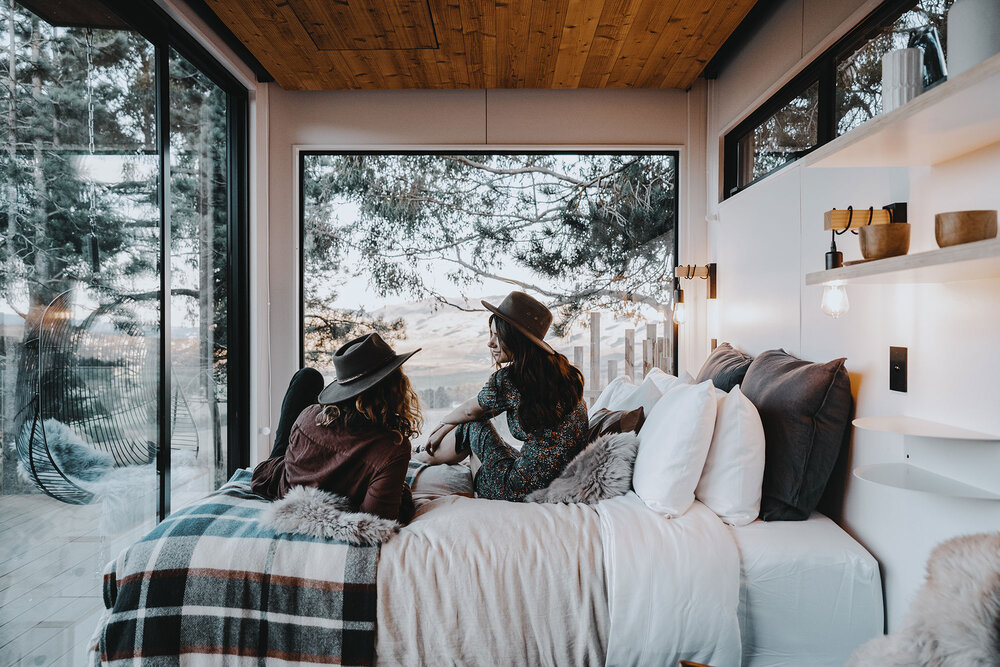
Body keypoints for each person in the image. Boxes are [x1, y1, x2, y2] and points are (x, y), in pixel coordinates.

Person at [415, 291, 587, 501]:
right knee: (474, 425)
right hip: (555, 481)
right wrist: (448, 426)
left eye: (498, 336)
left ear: (517, 339)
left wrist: (443, 423)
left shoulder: (512, 379)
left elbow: (470, 411)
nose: (490, 343)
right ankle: (422, 455)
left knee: (474, 426)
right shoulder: (562, 374)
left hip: (516, 490)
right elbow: (474, 410)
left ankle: (419, 458)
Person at [251, 332, 422, 522]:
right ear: (395, 387)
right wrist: (401, 491)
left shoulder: (309, 415)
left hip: (287, 486)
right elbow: (378, 518)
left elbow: (289, 463)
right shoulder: (393, 449)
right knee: (309, 377)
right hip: (306, 484)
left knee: (307, 377)